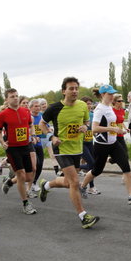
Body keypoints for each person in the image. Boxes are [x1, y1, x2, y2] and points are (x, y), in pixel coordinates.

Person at [38, 77, 99, 229]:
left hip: (77, 148)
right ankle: (83, 216)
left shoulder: (83, 106)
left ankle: (46, 185)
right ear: (63, 91)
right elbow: (42, 124)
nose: (74, 91)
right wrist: (52, 137)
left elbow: (86, 122)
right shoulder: (54, 108)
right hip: (62, 149)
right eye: (71, 88)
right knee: (75, 182)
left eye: (76, 88)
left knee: (67, 182)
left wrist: (85, 127)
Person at [80, 85, 131, 205]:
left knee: (126, 165)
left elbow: (114, 122)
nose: (112, 96)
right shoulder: (100, 109)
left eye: (112, 93)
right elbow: (94, 128)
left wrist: (120, 129)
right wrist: (112, 129)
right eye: (109, 94)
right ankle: (83, 186)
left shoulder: (109, 107)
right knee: (97, 170)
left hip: (113, 143)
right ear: (103, 94)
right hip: (101, 145)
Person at [0, 89, 37, 214]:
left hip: (26, 146)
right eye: (12, 96)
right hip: (12, 148)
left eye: (16, 96)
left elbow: (31, 125)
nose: (15, 98)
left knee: (29, 177)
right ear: (7, 99)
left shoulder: (25, 111)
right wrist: (2, 143)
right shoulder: (2, 115)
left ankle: (9, 181)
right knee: (21, 175)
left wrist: (33, 135)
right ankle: (25, 203)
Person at [78, 96, 100, 195]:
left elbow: (94, 128)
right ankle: (75, 167)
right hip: (81, 142)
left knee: (93, 164)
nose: (89, 105)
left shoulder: (92, 114)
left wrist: (97, 134)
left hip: (90, 141)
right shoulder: (79, 115)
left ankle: (91, 187)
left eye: (90, 103)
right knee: (91, 163)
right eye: (87, 103)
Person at [29, 99, 45, 192]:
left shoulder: (42, 116)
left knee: (41, 164)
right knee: (36, 163)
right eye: (36, 106)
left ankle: (34, 182)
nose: (38, 107)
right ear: (31, 107)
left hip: (39, 143)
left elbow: (44, 127)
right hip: (30, 144)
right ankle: (30, 182)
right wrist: (32, 137)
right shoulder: (28, 117)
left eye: (39, 106)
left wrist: (49, 129)